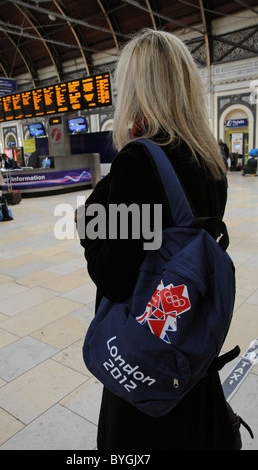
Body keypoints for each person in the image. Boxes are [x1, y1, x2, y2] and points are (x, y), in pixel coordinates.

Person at [76, 29, 232, 450]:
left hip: (146, 362)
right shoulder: (210, 158)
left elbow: (112, 276)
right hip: (190, 352)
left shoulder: (139, 162)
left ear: (137, 88)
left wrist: (92, 216)